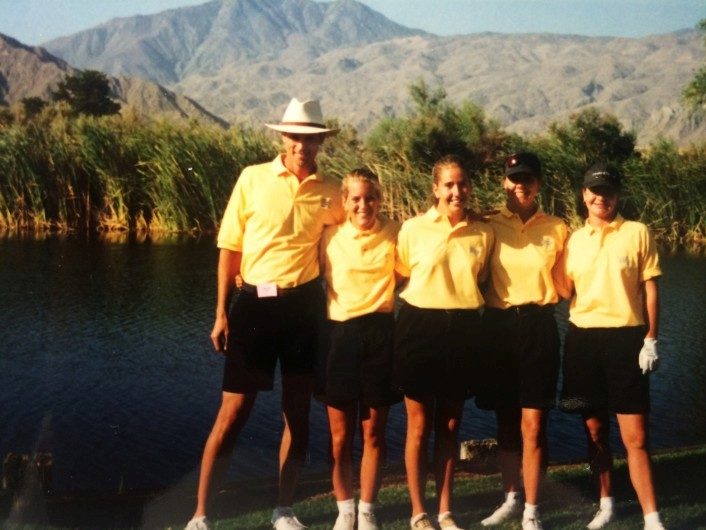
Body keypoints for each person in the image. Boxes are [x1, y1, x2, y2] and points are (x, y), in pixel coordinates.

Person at [184, 98, 344, 530]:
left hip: (305, 310)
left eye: (311, 139)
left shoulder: (333, 191)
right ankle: (200, 515)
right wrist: (221, 313)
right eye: (295, 137)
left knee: (297, 413)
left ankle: (284, 509)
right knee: (232, 414)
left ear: (320, 143)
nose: (302, 146)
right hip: (254, 308)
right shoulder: (252, 179)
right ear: (282, 137)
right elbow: (229, 248)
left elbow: (353, 243)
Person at [559, 163, 665, 530]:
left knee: (635, 437)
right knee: (595, 432)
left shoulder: (637, 232)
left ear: (618, 195)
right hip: (583, 340)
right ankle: (605, 504)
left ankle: (652, 517)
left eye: (608, 191)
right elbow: (563, 291)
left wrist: (651, 337)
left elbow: (650, 287)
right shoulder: (573, 239)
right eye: (594, 191)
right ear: (584, 195)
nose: (601, 198)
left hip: (626, 340)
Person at [394, 155, 494, 530]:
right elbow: (401, 275)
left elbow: (482, 281)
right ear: (435, 189)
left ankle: (445, 510)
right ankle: (419, 513)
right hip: (419, 328)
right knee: (418, 427)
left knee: (450, 426)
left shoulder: (484, 233)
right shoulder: (412, 229)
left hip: (464, 329)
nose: (457, 191)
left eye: (462, 183)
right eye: (449, 185)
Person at [477, 152, 568, 530]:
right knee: (506, 422)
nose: (521, 185)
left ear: (539, 183)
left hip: (539, 328)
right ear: (504, 182)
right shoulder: (488, 225)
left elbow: (566, 285)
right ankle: (511, 498)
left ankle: (532, 510)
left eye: (528, 178)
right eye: (514, 178)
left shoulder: (559, 228)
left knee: (534, 423)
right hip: (498, 329)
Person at [318, 168, 401, 530]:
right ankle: (345, 509)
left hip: (382, 334)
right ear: (344, 201)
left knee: (373, 432)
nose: (364, 204)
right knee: (340, 435)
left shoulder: (398, 232)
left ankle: (367, 510)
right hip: (339, 337)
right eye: (356, 198)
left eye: (371, 197)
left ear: (380, 199)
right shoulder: (328, 236)